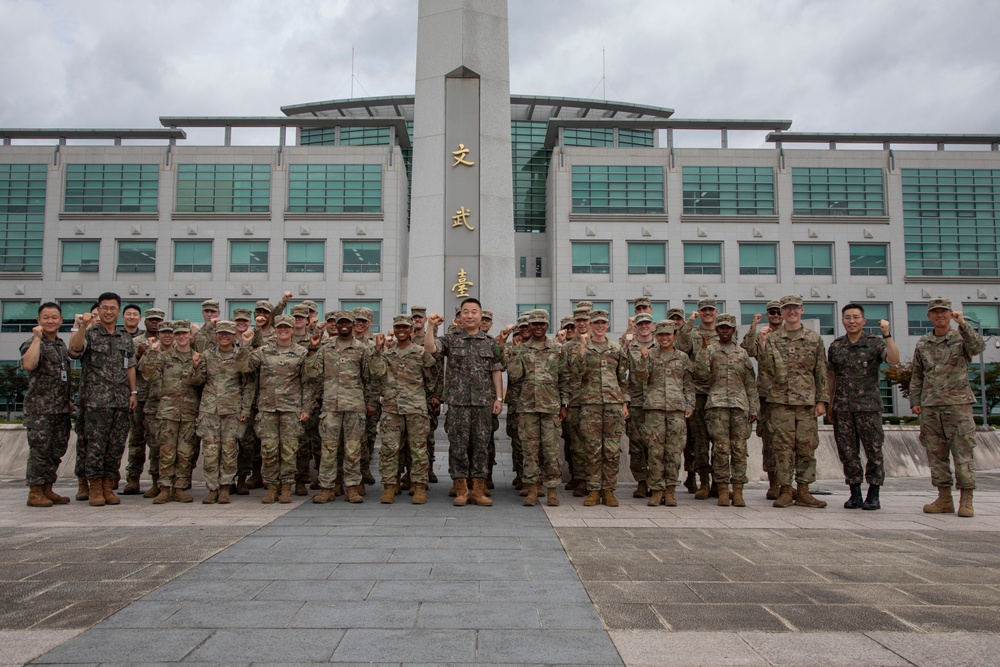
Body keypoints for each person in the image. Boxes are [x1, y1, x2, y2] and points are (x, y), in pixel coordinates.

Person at [910, 298, 986, 518]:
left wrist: (963, 324)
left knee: (963, 454)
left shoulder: (960, 338)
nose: (939, 315)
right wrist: (915, 400)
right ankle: (944, 499)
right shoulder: (923, 343)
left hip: (958, 405)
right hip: (931, 406)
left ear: (950, 314)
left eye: (943, 311)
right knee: (936, 454)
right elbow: (917, 374)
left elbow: (978, 347)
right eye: (935, 312)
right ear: (929, 316)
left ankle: (967, 500)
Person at [425, 298, 504, 507]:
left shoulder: (490, 343)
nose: (470, 315)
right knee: (458, 447)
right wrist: (430, 327)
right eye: (465, 312)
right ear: (460, 317)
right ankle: (461, 489)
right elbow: (431, 348)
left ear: (480, 315)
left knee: (481, 446)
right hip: (458, 404)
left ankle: (478, 489)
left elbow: (496, 370)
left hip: (483, 404)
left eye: (474, 312)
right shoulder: (451, 339)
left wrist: (499, 398)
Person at [757, 294, 828, 509]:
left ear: (802, 310)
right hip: (779, 403)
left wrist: (822, 400)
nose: (791, 312)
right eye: (787, 308)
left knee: (806, 447)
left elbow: (821, 370)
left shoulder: (814, 338)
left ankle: (804, 490)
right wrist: (771, 396)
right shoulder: (773, 338)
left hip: (806, 402)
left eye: (795, 308)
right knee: (782, 447)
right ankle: (785, 490)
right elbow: (766, 370)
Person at [827, 303, 900, 511]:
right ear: (842, 321)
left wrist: (887, 335)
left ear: (863, 321)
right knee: (847, 452)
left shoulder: (875, 343)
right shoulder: (836, 346)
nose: (852, 321)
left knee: (873, 451)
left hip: (869, 407)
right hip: (843, 408)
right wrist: (829, 402)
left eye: (856, 317)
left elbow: (894, 360)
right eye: (848, 317)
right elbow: (831, 376)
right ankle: (855, 493)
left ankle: (874, 493)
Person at [68, 292, 138, 507]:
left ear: (118, 311)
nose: (108, 312)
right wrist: (82, 326)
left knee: (115, 446)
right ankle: (94, 487)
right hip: (95, 402)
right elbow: (74, 350)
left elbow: (130, 366)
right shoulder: (90, 334)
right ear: (97, 310)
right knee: (95, 446)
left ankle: (108, 486)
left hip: (119, 400)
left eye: (113, 308)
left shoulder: (125, 338)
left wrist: (133, 392)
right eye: (104, 308)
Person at [237, 314, 313, 504]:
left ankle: (286, 486)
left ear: (292, 329)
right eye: (280, 327)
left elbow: (307, 383)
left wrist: (306, 407)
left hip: (291, 409)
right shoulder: (263, 351)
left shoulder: (301, 352)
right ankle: (271, 487)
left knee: (289, 450)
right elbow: (244, 367)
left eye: (287, 327)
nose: (283, 330)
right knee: (269, 450)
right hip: (268, 408)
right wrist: (245, 345)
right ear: (276, 329)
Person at [307, 311, 376, 504]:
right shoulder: (325, 348)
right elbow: (312, 374)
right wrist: (312, 349)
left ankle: (352, 488)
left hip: (354, 407)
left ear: (353, 325)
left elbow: (370, 379)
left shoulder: (363, 349)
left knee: (353, 450)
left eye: (347, 322)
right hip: (330, 407)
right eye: (340, 323)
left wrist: (370, 402)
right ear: (335, 326)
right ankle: (327, 488)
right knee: (328, 449)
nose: (343, 325)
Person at [370, 315, 436, 504]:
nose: (401, 330)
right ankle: (390, 486)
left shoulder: (420, 352)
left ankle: (419, 486)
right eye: (398, 327)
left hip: (416, 408)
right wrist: (377, 350)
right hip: (391, 407)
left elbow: (433, 374)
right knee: (390, 448)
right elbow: (376, 372)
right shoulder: (387, 354)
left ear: (411, 331)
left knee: (418, 449)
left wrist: (430, 395)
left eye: (405, 327)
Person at [695, 313, 759, 507]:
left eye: (728, 328)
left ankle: (738, 490)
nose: (724, 331)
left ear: (733, 330)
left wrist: (754, 407)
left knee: (739, 449)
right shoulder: (711, 351)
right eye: (721, 327)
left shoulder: (742, 353)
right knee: (721, 449)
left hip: (740, 406)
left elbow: (750, 384)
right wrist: (704, 350)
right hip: (717, 406)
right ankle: (722, 489)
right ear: (717, 330)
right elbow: (702, 374)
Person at [570, 309, 629, 507]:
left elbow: (623, 378)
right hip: (591, 403)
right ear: (591, 325)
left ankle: (609, 491)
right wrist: (583, 347)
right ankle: (594, 490)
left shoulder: (616, 348)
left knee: (612, 450)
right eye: (596, 323)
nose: (600, 326)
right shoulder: (583, 347)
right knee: (592, 448)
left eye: (603, 323)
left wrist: (624, 402)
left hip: (613, 403)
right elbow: (577, 371)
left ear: (608, 325)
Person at [507, 310, 566, 507]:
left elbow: (565, 378)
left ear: (547, 325)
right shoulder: (521, 349)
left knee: (551, 451)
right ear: (529, 327)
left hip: (551, 408)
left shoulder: (557, 349)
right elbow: (515, 376)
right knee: (529, 450)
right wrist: (515, 354)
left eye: (542, 324)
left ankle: (551, 491)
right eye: (534, 324)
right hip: (527, 407)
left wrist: (564, 404)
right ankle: (531, 489)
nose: (538, 327)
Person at [633, 320, 694, 507]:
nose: (665, 338)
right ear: (656, 336)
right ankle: (657, 490)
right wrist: (643, 360)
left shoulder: (683, 357)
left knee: (674, 452)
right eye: (661, 335)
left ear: (674, 336)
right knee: (655, 452)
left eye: (668, 335)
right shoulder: (649, 355)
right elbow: (640, 378)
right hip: (655, 409)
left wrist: (690, 404)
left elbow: (688, 383)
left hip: (676, 410)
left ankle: (670, 491)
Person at [192, 321, 254, 504]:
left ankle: (226, 487)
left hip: (232, 411)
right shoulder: (206, 356)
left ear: (234, 335)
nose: (224, 337)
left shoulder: (240, 356)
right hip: (210, 410)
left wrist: (245, 410)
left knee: (229, 451)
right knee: (210, 451)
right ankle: (212, 489)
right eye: (221, 334)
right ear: (216, 336)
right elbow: (197, 382)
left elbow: (248, 385)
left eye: (228, 333)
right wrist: (195, 367)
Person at [140, 321, 203, 503]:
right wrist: (152, 351)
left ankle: (180, 488)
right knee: (166, 452)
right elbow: (149, 375)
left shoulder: (197, 356)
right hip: (167, 412)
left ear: (190, 336)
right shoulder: (163, 356)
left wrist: (197, 366)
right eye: (178, 334)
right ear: (174, 336)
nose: (182, 337)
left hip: (189, 412)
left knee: (185, 453)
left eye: (185, 334)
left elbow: (199, 382)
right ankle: (165, 488)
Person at [21, 302, 73, 508]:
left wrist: (67, 399)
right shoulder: (33, 343)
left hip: (60, 408)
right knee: (40, 451)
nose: (50, 321)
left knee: (56, 450)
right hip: (40, 410)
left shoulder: (60, 345)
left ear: (60, 320)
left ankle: (47, 488)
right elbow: (29, 364)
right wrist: (36, 337)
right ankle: (35, 492)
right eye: (46, 317)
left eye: (54, 317)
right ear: (38, 321)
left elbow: (63, 377)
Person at [676, 298, 719, 499]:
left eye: (711, 310)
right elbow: (681, 348)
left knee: (720, 441)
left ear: (716, 312)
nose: (708, 313)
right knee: (700, 441)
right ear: (699, 312)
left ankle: (719, 482)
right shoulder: (691, 333)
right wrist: (689, 323)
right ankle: (703, 481)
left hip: (720, 394)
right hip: (699, 393)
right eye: (704, 310)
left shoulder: (725, 333)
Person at [741, 300, 782, 499]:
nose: (775, 315)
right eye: (772, 312)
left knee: (794, 442)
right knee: (769, 440)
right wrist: (754, 327)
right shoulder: (761, 334)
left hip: (791, 396)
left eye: (778, 312)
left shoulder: (793, 336)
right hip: (767, 396)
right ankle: (774, 483)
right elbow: (747, 350)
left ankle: (792, 485)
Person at [123, 307, 164, 495]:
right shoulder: (134, 342)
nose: (154, 323)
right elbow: (128, 367)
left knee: (156, 441)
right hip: (139, 397)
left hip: (158, 399)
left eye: (158, 320)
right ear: (144, 321)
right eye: (151, 320)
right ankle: (133, 479)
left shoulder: (166, 342)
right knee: (136, 440)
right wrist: (139, 354)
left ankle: (157, 481)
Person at [623, 311, 656, 498]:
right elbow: (622, 374)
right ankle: (642, 482)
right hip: (635, 401)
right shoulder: (629, 347)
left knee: (656, 445)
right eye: (640, 324)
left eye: (647, 324)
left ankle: (656, 481)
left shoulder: (661, 345)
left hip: (656, 402)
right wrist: (624, 402)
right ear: (636, 327)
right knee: (636, 445)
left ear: (653, 326)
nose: (644, 326)